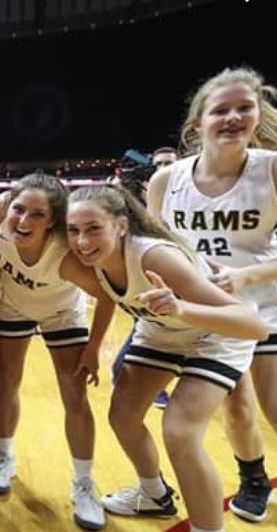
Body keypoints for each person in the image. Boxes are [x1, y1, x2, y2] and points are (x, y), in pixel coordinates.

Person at [149, 66, 277, 528]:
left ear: (258, 115)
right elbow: (155, 249)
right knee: (236, 407)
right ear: (198, 124)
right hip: (210, 308)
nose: (233, 117)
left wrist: (246, 275)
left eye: (244, 108)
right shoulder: (164, 182)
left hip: (269, 301)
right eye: (221, 110)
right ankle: (254, 477)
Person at [68, 184, 268, 532]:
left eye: (93, 229)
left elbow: (252, 324)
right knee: (122, 415)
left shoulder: (154, 255)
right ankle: (153, 496)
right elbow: (107, 298)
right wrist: (92, 346)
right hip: (162, 334)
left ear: (121, 226)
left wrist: (180, 308)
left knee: (179, 431)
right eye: (73, 230)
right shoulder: (92, 259)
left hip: (216, 336)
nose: (82, 241)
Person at [0, 173, 115, 529]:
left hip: (61, 313)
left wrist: (93, 348)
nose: (24, 220)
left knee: (74, 395)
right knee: (8, 381)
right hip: (13, 306)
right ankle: (4, 458)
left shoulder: (65, 257)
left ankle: (84, 482)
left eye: (38, 214)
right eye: (19, 209)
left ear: (54, 221)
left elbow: (107, 296)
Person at [111, 146, 179, 410]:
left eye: (169, 163)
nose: (164, 169)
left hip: (185, 270)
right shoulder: (138, 194)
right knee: (148, 322)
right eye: (159, 164)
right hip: (149, 270)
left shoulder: (190, 192)